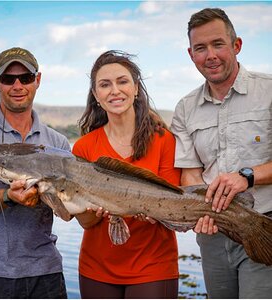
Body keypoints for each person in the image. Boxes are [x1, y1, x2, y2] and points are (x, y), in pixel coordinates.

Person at [171, 8, 272, 299]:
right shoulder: (185, 108)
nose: (210, 55)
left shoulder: (268, 91)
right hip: (212, 232)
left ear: (236, 45)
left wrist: (247, 177)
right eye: (200, 48)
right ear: (191, 54)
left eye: (218, 44)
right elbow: (191, 173)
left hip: (262, 224)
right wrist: (197, 211)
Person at [72, 50, 181, 299]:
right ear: (96, 96)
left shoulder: (164, 140)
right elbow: (85, 222)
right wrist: (94, 211)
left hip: (154, 266)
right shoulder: (84, 147)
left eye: (122, 81)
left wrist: (149, 209)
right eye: (105, 85)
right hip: (96, 268)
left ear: (135, 88)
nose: (115, 90)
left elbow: (172, 206)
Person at [0, 47, 70, 298]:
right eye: (8, 79)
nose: (18, 85)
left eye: (25, 78)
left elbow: (66, 211)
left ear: (38, 80)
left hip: (46, 272)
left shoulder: (57, 142)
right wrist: (7, 197)